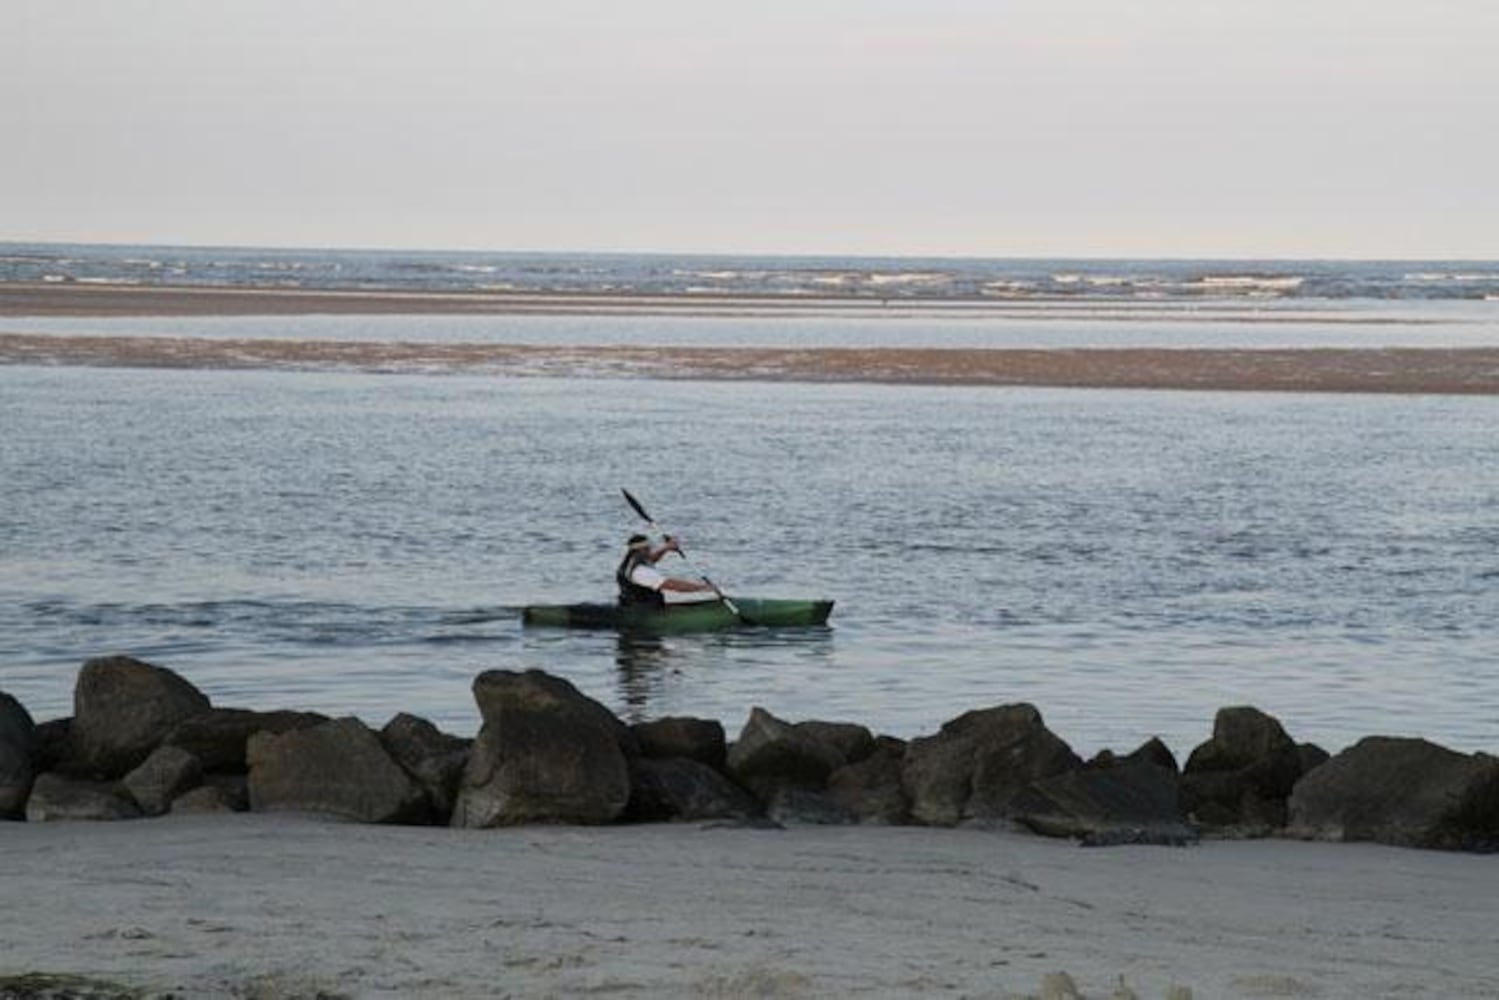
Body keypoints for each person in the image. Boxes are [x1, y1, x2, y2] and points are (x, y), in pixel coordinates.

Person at [617, 533, 719, 607]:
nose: (651, 551)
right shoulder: (640, 572)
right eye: (648, 549)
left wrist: (666, 548)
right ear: (641, 550)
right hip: (646, 611)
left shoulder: (631, 562)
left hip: (634, 604)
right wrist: (703, 587)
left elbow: (651, 559)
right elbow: (672, 585)